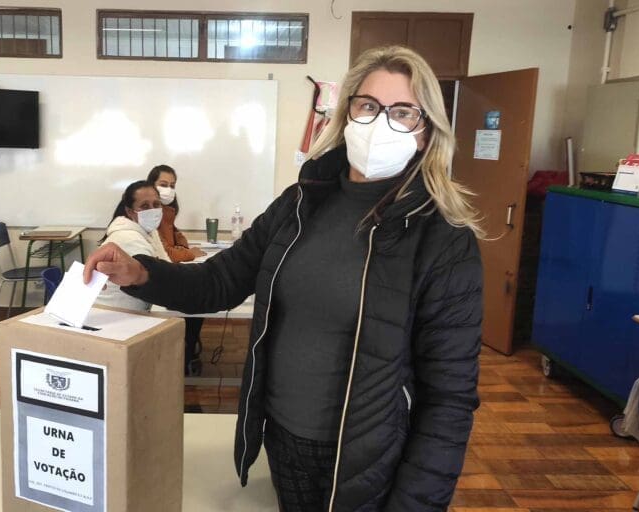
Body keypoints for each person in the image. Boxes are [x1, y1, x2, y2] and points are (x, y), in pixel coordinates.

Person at [85, 45, 483, 511]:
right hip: (284, 442)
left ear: (425, 132)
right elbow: (220, 280)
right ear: (347, 112)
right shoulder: (300, 203)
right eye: (369, 106)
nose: (380, 123)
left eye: (403, 112)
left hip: (372, 462)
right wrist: (140, 272)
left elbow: (449, 400)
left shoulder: (444, 238)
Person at [147, 164, 207, 376]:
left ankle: (188, 352)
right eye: (163, 184)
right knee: (194, 304)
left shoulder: (167, 212)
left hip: (167, 273)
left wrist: (185, 247)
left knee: (199, 304)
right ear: (151, 185)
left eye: (172, 185)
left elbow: (175, 237)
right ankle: (184, 357)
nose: (168, 189)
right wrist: (189, 254)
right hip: (156, 279)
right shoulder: (149, 213)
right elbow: (167, 252)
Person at [93, 180, 170, 311]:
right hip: (115, 316)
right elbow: (159, 286)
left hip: (130, 311)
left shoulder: (150, 232)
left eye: (156, 204)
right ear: (130, 212)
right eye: (145, 206)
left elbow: (166, 268)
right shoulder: (129, 239)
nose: (152, 210)